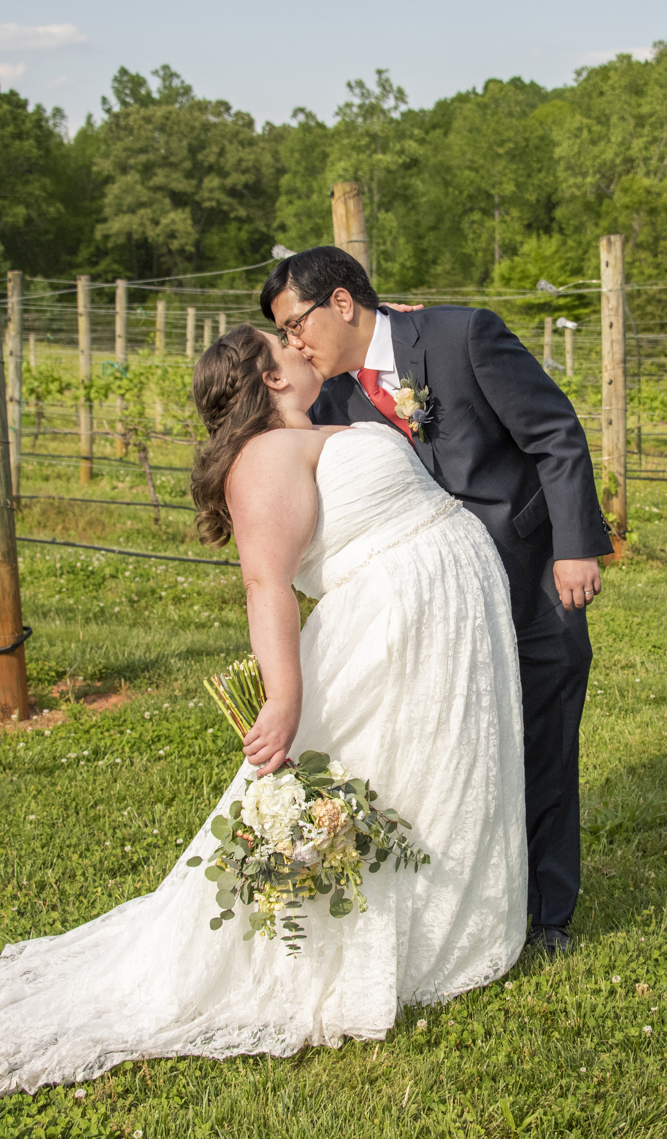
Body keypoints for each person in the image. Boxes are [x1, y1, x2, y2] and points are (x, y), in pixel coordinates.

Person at [0, 326, 526, 1101]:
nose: (297, 343)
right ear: (266, 374)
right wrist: (284, 697)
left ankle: (446, 919)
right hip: (391, 625)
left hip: (442, 618)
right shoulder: (261, 459)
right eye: (280, 343)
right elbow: (267, 584)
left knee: (438, 767)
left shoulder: (320, 426)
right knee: (382, 772)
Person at [264, 246, 610, 955]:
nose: (294, 342)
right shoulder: (328, 402)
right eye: (283, 334)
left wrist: (575, 545)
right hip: (434, 617)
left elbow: (555, 434)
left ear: (340, 301)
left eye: (296, 323)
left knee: (543, 741)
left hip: (528, 576)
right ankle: (463, 910)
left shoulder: (462, 336)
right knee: (461, 754)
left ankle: (547, 916)